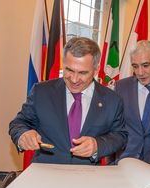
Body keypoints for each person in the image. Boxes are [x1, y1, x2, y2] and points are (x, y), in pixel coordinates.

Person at [9, 37, 128, 165]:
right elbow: (18, 123)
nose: (74, 79)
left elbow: (120, 135)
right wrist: (23, 135)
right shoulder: (42, 91)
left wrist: (97, 145)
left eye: (82, 73)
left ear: (96, 69)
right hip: (46, 174)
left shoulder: (112, 100)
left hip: (88, 176)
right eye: (69, 70)